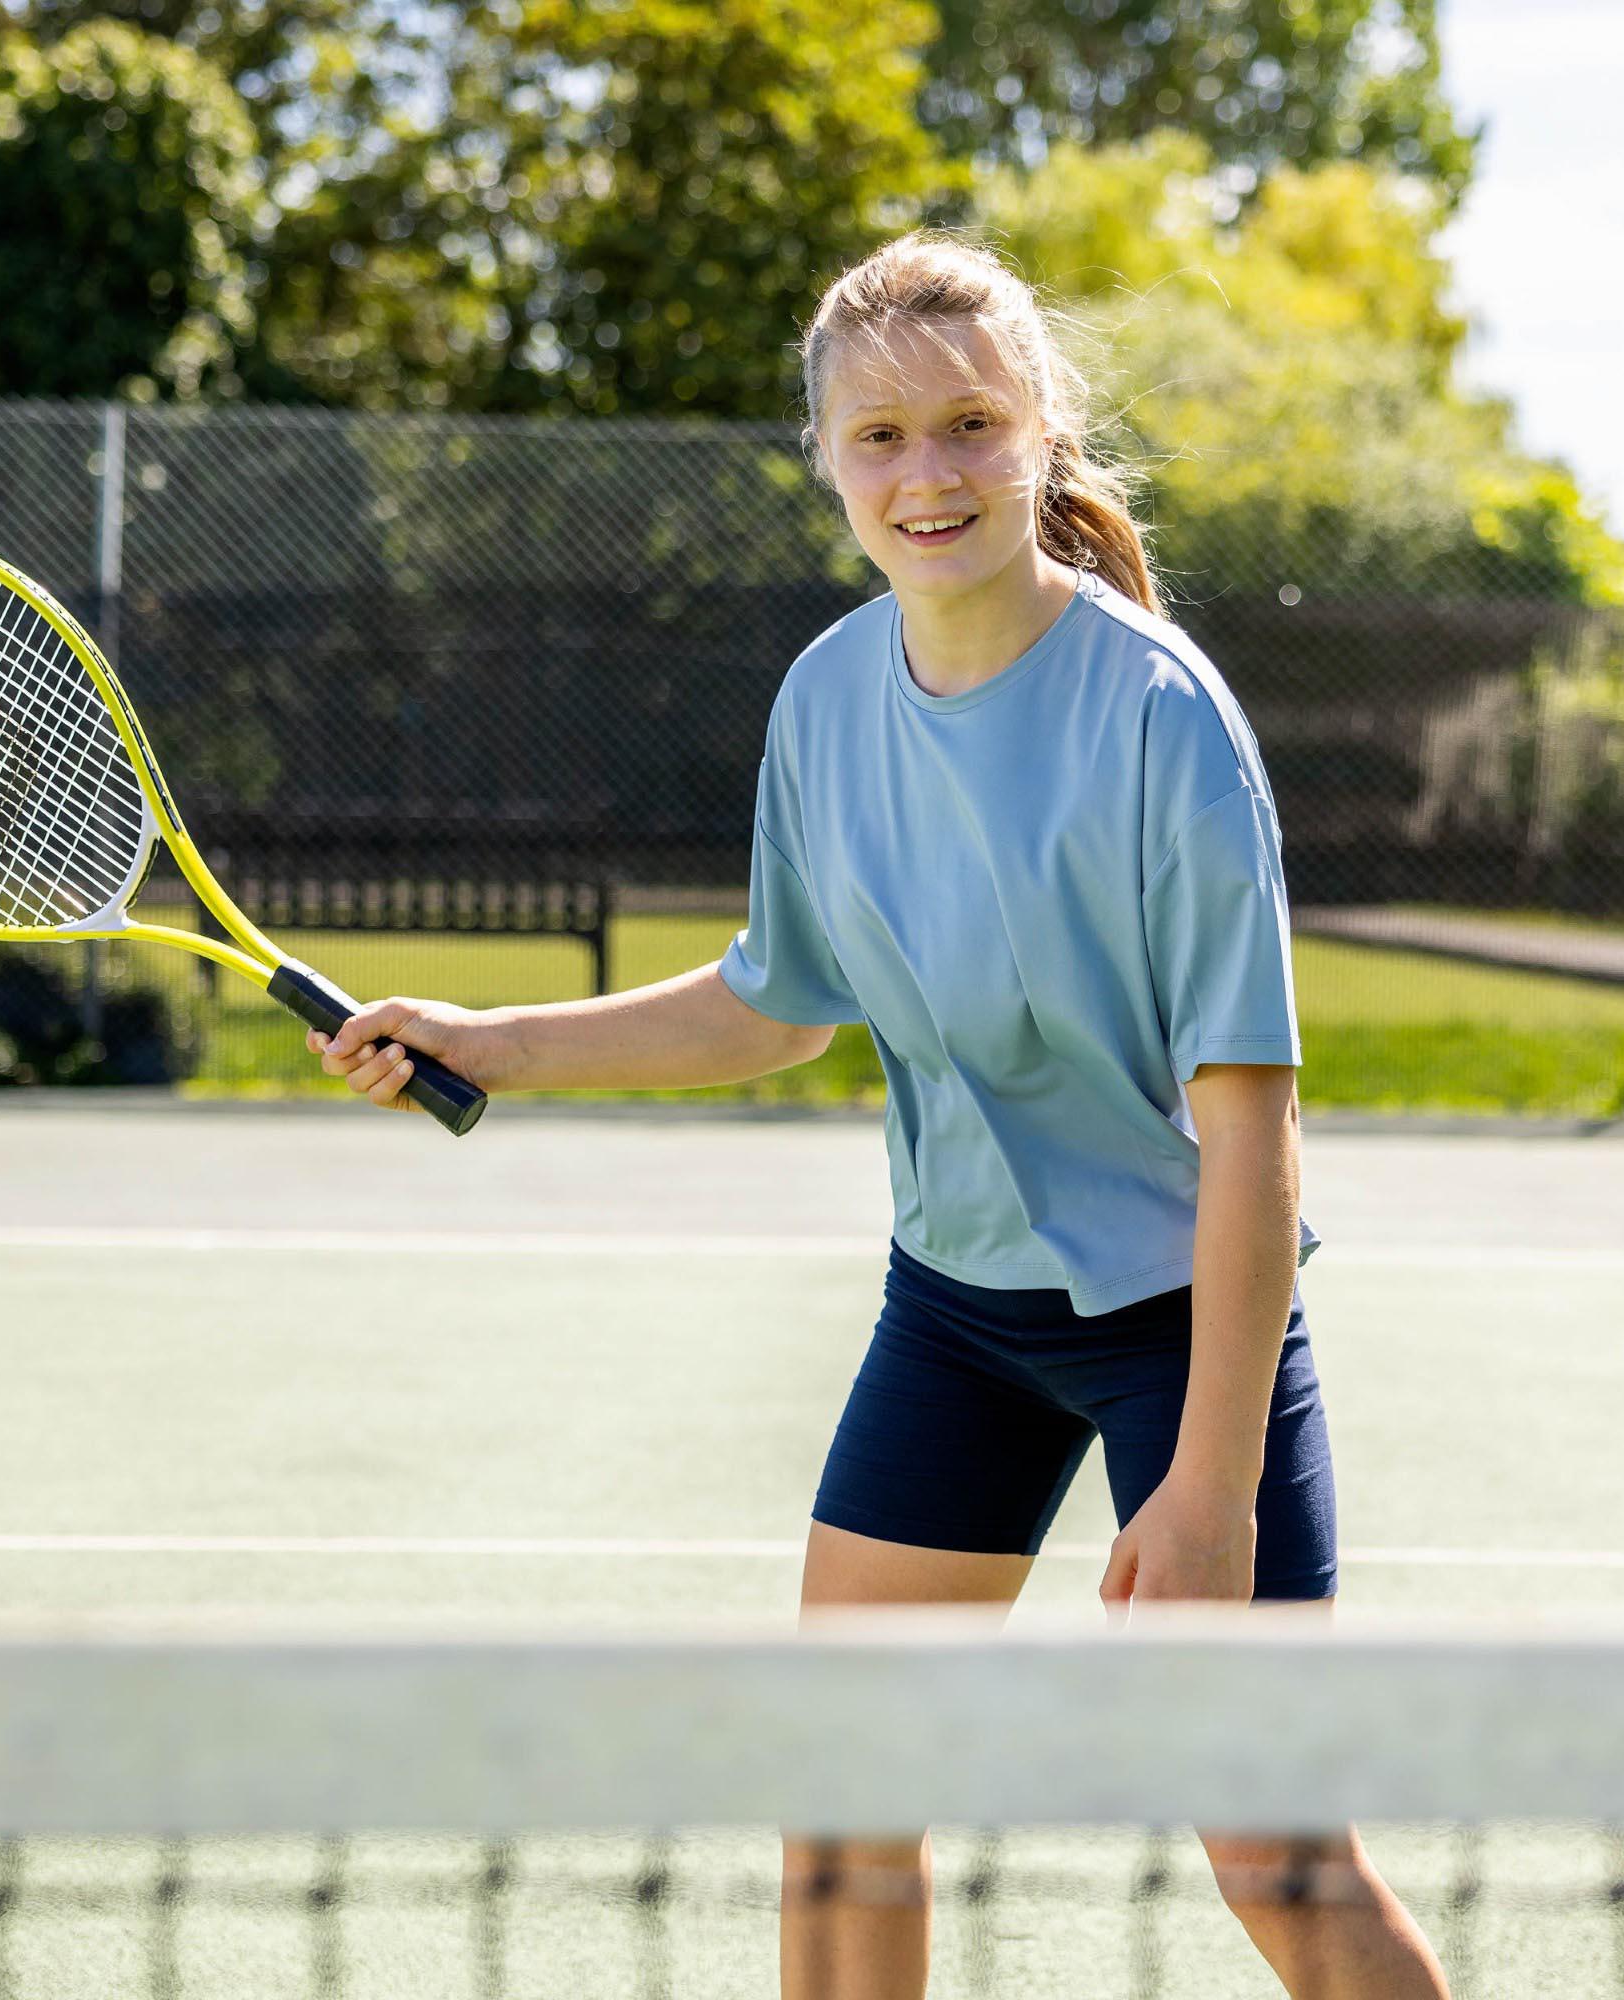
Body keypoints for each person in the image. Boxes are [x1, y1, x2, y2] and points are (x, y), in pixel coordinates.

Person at [309, 230, 1449, 1999]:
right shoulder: (828, 699)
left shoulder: (1163, 719)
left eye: (973, 423)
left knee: (1274, 1855)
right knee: (843, 1805)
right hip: (958, 1319)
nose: (930, 473)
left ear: (1044, 433)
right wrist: (490, 1043)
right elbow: (776, 1001)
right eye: (882, 437)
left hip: (1186, 1326)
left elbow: (1251, 1129)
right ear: (830, 464)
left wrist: (1211, 1488)